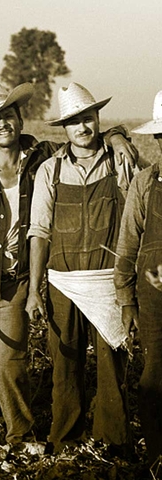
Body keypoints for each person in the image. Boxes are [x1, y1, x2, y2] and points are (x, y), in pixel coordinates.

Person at [0, 81, 137, 447]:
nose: (2, 124)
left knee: (21, 363)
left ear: (19, 118)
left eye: (8, 116)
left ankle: (47, 437)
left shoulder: (46, 159)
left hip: (53, 280)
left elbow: (91, 138)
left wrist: (119, 136)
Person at [26, 82, 138, 455]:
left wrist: (120, 137)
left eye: (87, 119)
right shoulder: (49, 171)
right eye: (74, 122)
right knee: (65, 362)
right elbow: (39, 232)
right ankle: (66, 439)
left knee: (111, 365)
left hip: (108, 281)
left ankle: (114, 441)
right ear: (64, 129)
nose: (82, 128)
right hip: (63, 282)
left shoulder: (120, 160)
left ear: (98, 119)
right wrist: (34, 291)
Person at [114, 89, 162, 468]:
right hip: (153, 300)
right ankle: (158, 455)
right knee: (153, 379)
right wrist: (126, 299)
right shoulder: (146, 183)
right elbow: (128, 245)